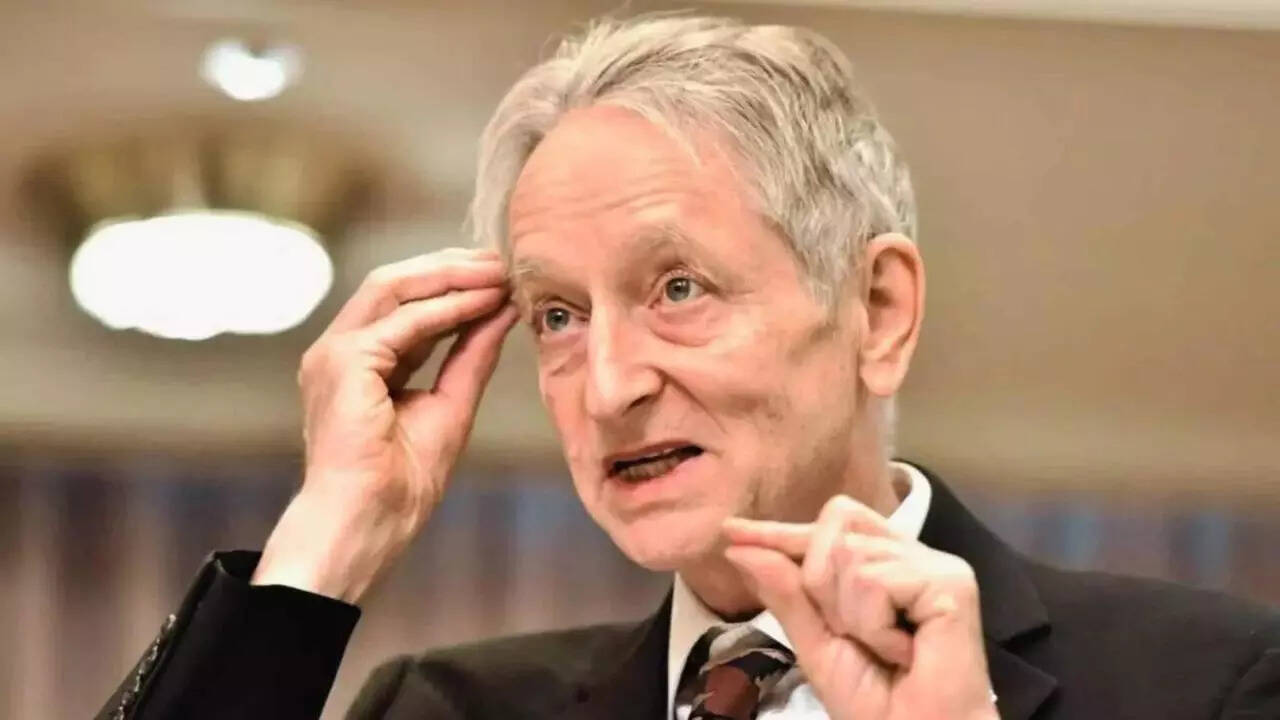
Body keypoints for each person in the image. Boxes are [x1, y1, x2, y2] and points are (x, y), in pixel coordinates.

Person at [98, 14, 1279, 720]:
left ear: (875, 311)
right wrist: (331, 537)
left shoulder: (1210, 682)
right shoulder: (443, 709)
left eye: (677, 289)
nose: (608, 386)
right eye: (557, 315)